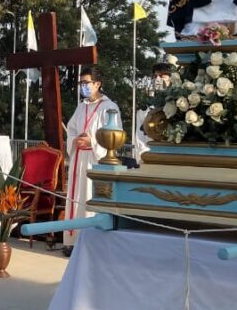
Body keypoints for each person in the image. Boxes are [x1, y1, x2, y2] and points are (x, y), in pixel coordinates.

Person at [62, 67, 119, 255]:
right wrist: (74, 139)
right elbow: (71, 129)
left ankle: (89, 244)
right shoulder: (81, 106)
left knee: (89, 200)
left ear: (97, 84)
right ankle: (72, 241)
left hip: (95, 159)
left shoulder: (109, 107)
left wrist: (92, 141)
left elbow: (115, 134)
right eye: (81, 83)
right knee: (75, 199)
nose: (83, 87)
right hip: (79, 158)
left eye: (86, 83)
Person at [131, 62, 172, 167]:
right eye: (155, 76)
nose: (157, 79)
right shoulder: (144, 109)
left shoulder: (179, 104)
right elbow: (139, 140)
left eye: (162, 76)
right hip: (150, 159)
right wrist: (145, 158)